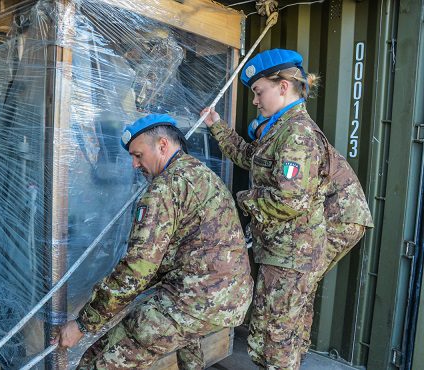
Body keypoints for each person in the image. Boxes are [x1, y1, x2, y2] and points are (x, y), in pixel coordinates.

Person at [201, 48, 373, 370]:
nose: (254, 101)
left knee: (278, 318)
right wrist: (216, 125)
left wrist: (239, 201)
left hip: (337, 219)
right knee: (289, 310)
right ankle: (290, 358)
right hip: (307, 230)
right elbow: (248, 156)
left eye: (258, 91)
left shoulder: (296, 133)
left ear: (282, 87)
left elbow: (289, 200)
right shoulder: (280, 128)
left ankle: (284, 360)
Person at [54, 113, 254, 369]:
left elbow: (135, 272)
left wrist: (83, 324)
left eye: (138, 156)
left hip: (197, 299)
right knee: (184, 339)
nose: (135, 165)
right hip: (230, 296)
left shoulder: (163, 190)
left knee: (98, 360)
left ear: (162, 145)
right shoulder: (200, 173)